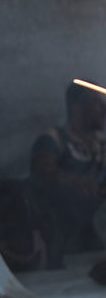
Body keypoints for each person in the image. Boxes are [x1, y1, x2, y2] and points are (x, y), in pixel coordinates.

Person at [30, 82, 106, 269]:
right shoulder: (53, 138)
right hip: (67, 233)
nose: (103, 109)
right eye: (97, 103)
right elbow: (43, 170)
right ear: (77, 107)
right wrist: (73, 181)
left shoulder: (100, 143)